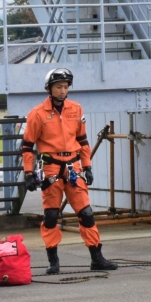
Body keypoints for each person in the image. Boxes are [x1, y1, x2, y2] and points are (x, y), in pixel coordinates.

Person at [22, 68, 117, 274]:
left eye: (65, 87)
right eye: (58, 87)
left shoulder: (76, 109)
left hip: (73, 167)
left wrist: (87, 166)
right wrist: (28, 174)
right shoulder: (37, 114)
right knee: (51, 215)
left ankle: (97, 258)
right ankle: (53, 261)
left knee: (86, 213)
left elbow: (83, 140)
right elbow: (27, 146)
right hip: (51, 168)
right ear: (49, 88)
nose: (63, 91)